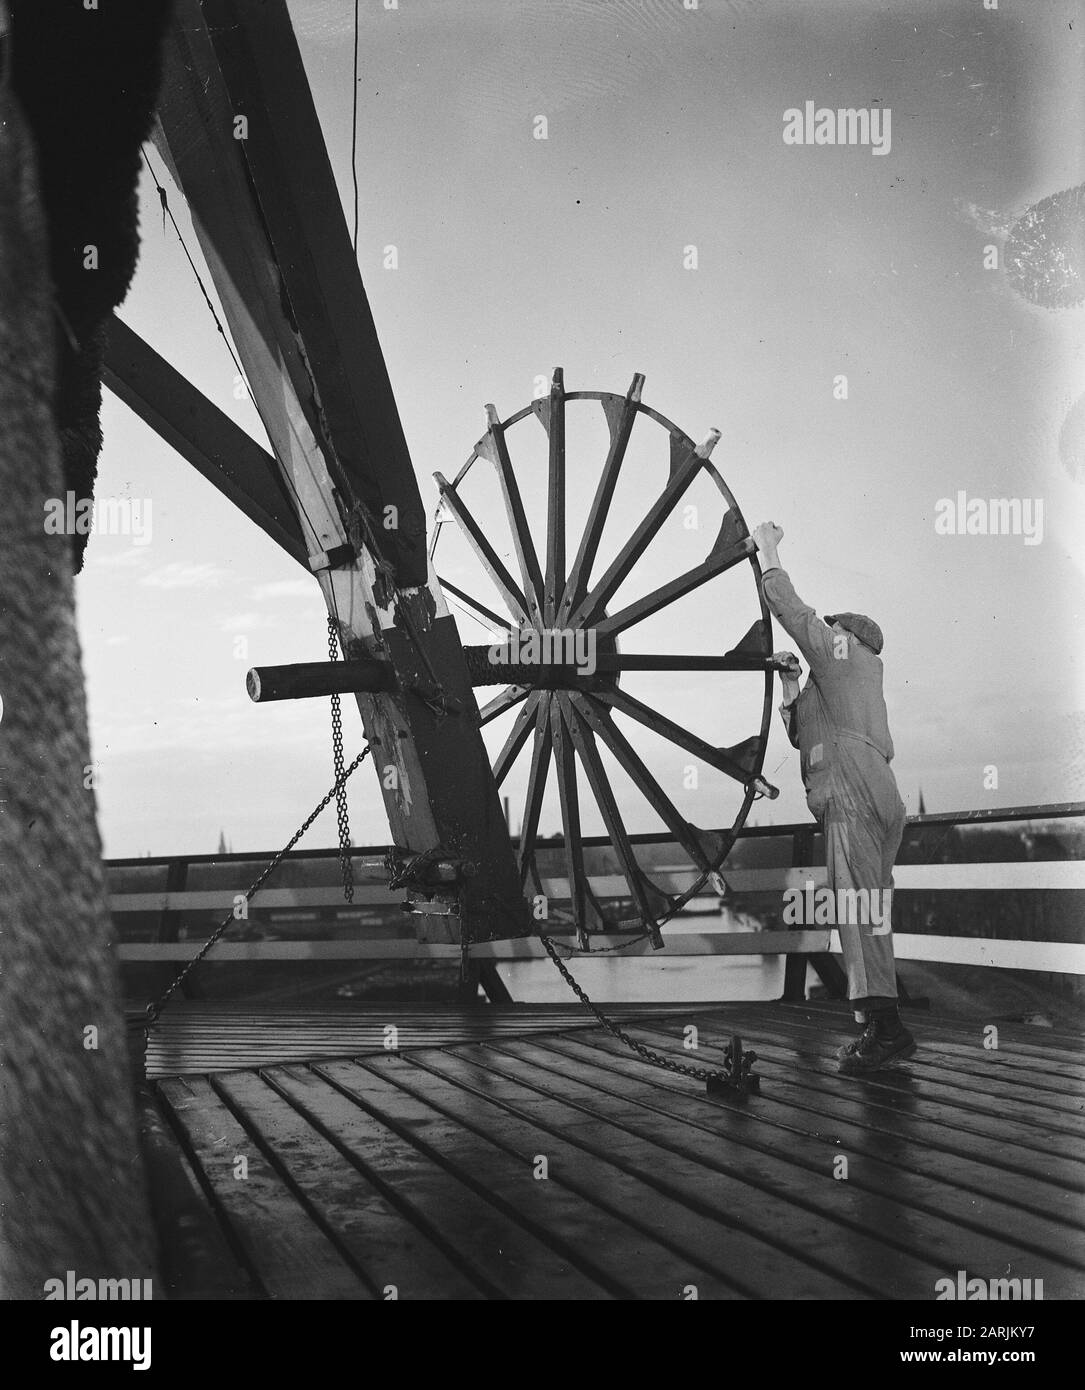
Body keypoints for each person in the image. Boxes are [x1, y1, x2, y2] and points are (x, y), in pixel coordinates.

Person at [751, 520, 916, 1074]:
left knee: (858, 907)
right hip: (873, 793)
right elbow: (805, 734)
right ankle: (878, 1027)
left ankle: (888, 1031)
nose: (824, 633)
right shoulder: (851, 688)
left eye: (832, 629)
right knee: (868, 909)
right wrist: (791, 683)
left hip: (852, 795)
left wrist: (769, 550)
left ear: (849, 636)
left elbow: (795, 615)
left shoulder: (846, 655)